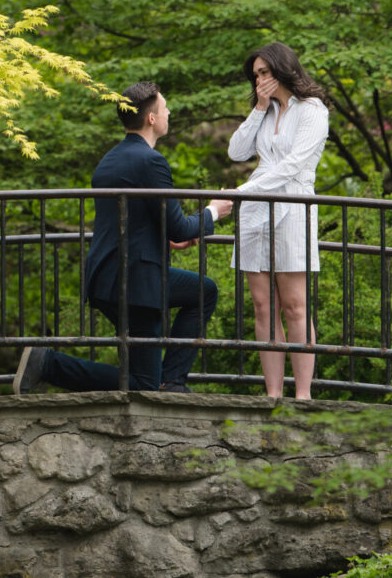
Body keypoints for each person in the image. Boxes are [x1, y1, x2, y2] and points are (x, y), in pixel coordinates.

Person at [13, 81, 232, 395]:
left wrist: (166, 239)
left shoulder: (111, 159)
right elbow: (180, 226)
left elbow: (136, 221)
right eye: (164, 107)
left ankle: (167, 382)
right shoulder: (150, 162)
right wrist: (213, 211)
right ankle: (49, 364)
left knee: (199, 294)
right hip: (136, 282)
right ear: (151, 119)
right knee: (200, 297)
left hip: (109, 275)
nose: (169, 112)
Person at [228, 42, 328, 399]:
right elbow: (237, 151)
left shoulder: (312, 110)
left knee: (294, 304)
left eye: (264, 72)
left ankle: (302, 395)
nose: (259, 80)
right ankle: (272, 394)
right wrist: (258, 108)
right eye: (255, 75)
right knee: (262, 305)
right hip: (257, 208)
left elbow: (292, 166)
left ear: (283, 69)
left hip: (293, 204)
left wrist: (240, 192)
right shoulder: (265, 111)